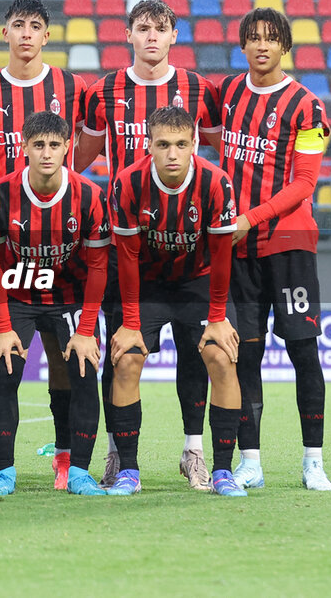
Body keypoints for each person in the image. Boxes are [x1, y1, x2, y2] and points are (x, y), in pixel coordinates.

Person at [76, 0, 223, 491]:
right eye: (143, 28)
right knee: (121, 353)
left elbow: (222, 154)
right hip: (128, 248)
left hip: (189, 247)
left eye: (161, 29)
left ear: (174, 36)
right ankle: (119, 455)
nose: (152, 37)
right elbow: (81, 154)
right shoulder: (106, 90)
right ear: (129, 35)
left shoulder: (199, 89)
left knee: (196, 354)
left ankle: (193, 453)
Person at [0, 0, 88, 491]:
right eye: (17, 25)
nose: (26, 34)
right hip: (1, 244)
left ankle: (66, 457)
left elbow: (86, 148)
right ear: (3, 33)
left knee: (60, 352)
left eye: (35, 26)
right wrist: (3, 191)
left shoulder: (72, 88)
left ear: (47, 36)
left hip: (61, 242)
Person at [218, 7, 331, 491]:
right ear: (242, 46)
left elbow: (305, 182)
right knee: (245, 356)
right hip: (238, 251)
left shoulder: (308, 106)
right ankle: (252, 462)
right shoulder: (225, 94)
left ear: (285, 47)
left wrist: (250, 218)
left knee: (303, 351)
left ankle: (313, 461)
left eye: (271, 38)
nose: (262, 46)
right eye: (253, 38)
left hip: (287, 245)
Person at [108, 106, 245, 497]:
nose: (172, 153)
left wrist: (217, 318)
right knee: (127, 358)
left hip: (199, 283)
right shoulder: (129, 183)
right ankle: (128, 471)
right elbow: (128, 257)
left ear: (194, 144)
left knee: (221, 357)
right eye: (163, 144)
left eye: (181, 144)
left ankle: (221, 471)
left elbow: (222, 256)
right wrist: (131, 322)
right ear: (148, 145)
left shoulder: (216, 182)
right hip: (147, 284)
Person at [0, 111, 110, 496]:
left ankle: (79, 473)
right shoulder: (0, 194)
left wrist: (87, 330)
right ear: (24, 148)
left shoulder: (89, 195)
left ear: (68, 147)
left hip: (69, 297)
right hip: (17, 295)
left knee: (84, 373)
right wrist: (2, 327)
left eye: (54, 145)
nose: (47, 153)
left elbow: (99, 266)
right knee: (3, 372)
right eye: (39, 145)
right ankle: (4, 472)